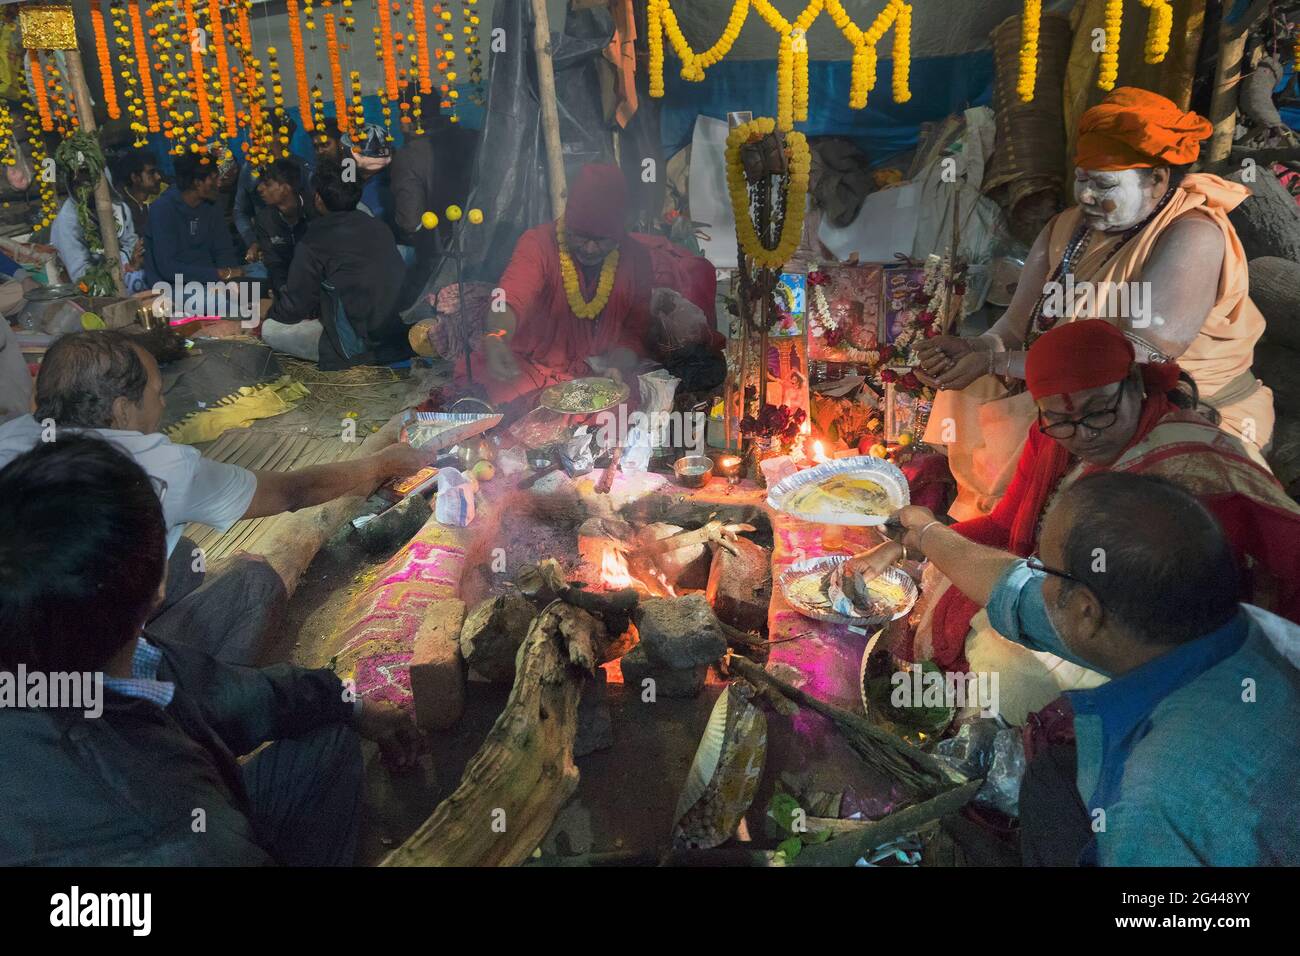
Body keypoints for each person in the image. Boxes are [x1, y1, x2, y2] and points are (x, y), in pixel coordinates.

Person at [0, 435, 420, 866]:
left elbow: (220, 693)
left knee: (326, 731)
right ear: (158, 590)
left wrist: (347, 703)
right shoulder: (168, 833)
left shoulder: (74, 645)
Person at [855, 319, 1300, 724]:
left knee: (1008, 665)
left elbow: (1124, 621)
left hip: (1170, 647)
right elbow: (1004, 528)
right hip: (1073, 598)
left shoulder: (1188, 472)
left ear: (1134, 385)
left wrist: (937, 539)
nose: (1084, 434)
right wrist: (910, 544)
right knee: (949, 581)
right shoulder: (1051, 438)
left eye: (1099, 411)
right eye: (1062, 420)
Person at [866, 474, 1300, 866]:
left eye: (1043, 568)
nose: (1033, 574)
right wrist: (925, 534)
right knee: (1052, 778)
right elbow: (1012, 589)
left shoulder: (1152, 795)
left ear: (1086, 612)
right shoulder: (1204, 621)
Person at [916, 87, 1274, 519]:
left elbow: (1139, 358)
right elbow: (1013, 328)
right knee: (973, 387)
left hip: (1165, 403)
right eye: (1082, 179)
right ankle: (985, 524)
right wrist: (974, 350)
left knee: (1072, 467)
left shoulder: (1192, 233)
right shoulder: (1066, 226)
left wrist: (997, 362)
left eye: (1103, 184)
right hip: (1084, 392)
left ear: (1157, 180)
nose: (1085, 196)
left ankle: (1016, 540)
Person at [0, 331, 427, 660]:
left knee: (181, 554)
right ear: (121, 409)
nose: (165, 401)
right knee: (254, 582)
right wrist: (382, 464)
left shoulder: (9, 438)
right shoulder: (156, 464)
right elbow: (294, 492)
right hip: (76, 671)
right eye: (156, 392)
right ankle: (188, 715)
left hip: (21, 643)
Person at [477, 163, 721, 412]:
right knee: (504, 398)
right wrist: (497, 337)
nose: (590, 248)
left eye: (602, 239)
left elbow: (634, 331)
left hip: (597, 371)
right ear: (567, 223)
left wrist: (616, 365)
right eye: (581, 236)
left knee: (639, 405)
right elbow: (508, 297)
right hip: (533, 363)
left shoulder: (635, 258)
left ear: (619, 233)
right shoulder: (537, 243)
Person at [262, 161, 412, 370]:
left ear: (318, 199)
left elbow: (295, 308)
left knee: (270, 330)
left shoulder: (313, 239)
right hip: (393, 334)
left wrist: (269, 312)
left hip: (354, 345)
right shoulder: (378, 226)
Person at [50, 150, 146, 293]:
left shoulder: (119, 208)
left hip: (126, 273)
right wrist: (117, 273)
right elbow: (81, 274)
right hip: (89, 289)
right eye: (77, 183)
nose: (84, 188)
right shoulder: (68, 221)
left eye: (90, 180)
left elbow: (131, 244)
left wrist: (131, 264)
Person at [144, 150, 246, 286]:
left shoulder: (212, 205)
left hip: (211, 283)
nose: (219, 184)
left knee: (257, 288)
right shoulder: (162, 209)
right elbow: (168, 267)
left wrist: (232, 280)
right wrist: (218, 274)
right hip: (172, 287)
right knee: (224, 304)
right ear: (197, 183)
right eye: (214, 178)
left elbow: (224, 250)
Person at [253, 157, 315, 294]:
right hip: (284, 285)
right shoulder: (264, 220)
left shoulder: (316, 210)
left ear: (286, 188)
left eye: (267, 184)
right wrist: (283, 288)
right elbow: (274, 263)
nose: (259, 188)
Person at [107, 147, 163, 239]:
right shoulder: (119, 204)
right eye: (151, 173)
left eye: (157, 172)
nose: (158, 177)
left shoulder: (165, 194)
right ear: (135, 178)